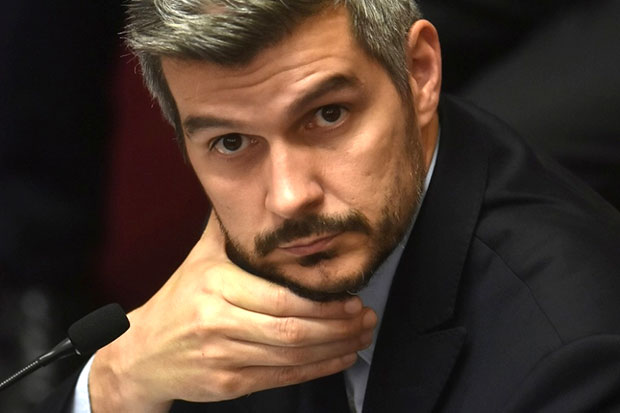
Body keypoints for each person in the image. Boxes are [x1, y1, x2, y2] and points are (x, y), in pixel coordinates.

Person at [40, 1, 620, 412]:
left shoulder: (572, 360)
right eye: (231, 142)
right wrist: (117, 381)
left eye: (328, 115)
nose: (289, 198)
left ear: (418, 73)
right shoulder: (236, 263)